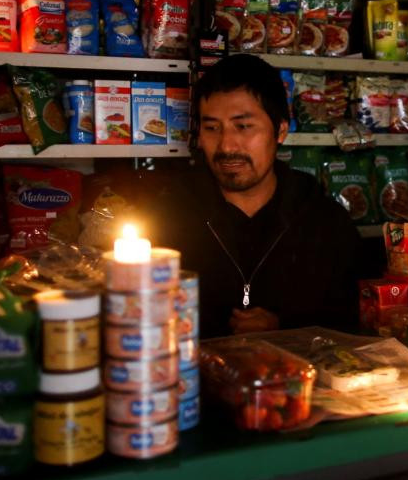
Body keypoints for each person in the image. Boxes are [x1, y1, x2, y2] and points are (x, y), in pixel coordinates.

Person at [151, 54, 361, 338]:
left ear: (281, 131)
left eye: (244, 126)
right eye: (212, 128)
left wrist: (282, 326)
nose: (226, 145)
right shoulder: (165, 219)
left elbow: (353, 320)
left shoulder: (324, 221)